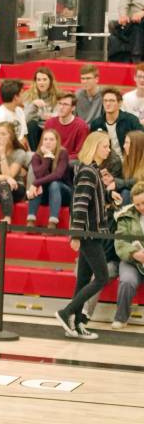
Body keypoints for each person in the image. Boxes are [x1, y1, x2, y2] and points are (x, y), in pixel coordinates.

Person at [55, 131, 122, 341]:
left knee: (83, 278)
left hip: (91, 232)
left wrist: (110, 195)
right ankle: (67, 313)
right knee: (101, 277)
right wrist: (75, 234)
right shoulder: (88, 172)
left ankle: (76, 322)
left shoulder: (92, 170)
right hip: (88, 233)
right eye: (105, 146)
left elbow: (93, 196)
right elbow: (80, 204)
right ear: (95, 147)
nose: (108, 150)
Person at [112, 181, 144, 329]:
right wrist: (135, 253)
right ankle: (121, 318)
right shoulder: (125, 216)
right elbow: (120, 243)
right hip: (132, 262)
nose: (141, 207)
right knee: (126, 281)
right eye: (137, 204)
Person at [26, 128, 72, 229]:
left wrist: (35, 183)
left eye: (51, 139)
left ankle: (52, 223)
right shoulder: (36, 156)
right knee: (39, 185)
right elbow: (39, 175)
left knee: (53, 184)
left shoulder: (62, 153)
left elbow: (58, 175)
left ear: (57, 141)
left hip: (64, 193)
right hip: (45, 195)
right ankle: (30, 221)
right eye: (45, 139)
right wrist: (47, 157)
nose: (48, 142)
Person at [90, 87, 143, 160]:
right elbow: (92, 148)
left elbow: (141, 142)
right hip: (106, 162)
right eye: (105, 101)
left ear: (120, 103)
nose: (108, 104)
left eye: (112, 101)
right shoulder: (96, 123)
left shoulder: (131, 120)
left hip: (128, 161)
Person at [22, 67, 60, 151]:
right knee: (31, 125)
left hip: (51, 129)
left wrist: (51, 117)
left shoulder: (58, 95)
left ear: (50, 81)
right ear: (35, 82)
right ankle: (35, 155)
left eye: (44, 79)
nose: (41, 83)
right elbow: (24, 119)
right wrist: (33, 106)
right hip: (35, 130)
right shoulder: (28, 95)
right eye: (38, 80)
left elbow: (60, 114)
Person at [43, 92, 89, 160]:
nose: (61, 107)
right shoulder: (49, 123)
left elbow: (80, 153)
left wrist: (59, 159)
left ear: (73, 108)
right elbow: (43, 146)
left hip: (69, 161)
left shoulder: (81, 126)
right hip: (50, 158)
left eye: (65, 104)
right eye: (60, 104)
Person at [0, 79, 28, 146]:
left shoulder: (19, 111)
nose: (24, 95)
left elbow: (23, 136)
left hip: (18, 151)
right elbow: (0, 144)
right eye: (22, 93)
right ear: (16, 97)